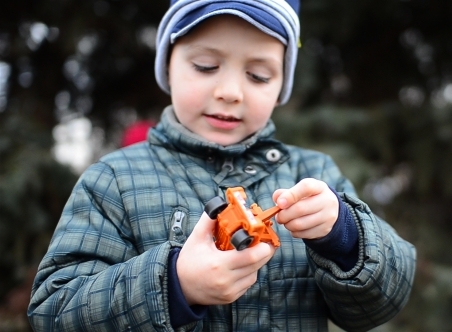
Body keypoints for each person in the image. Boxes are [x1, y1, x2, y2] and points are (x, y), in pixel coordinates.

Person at [28, 0, 417, 331]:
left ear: (281, 85)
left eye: (258, 75)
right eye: (205, 66)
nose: (230, 92)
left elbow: (382, 303)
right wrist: (174, 285)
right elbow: (54, 311)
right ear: (167, 67)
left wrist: (343, 235)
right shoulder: (113, 181)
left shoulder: (315, 175)